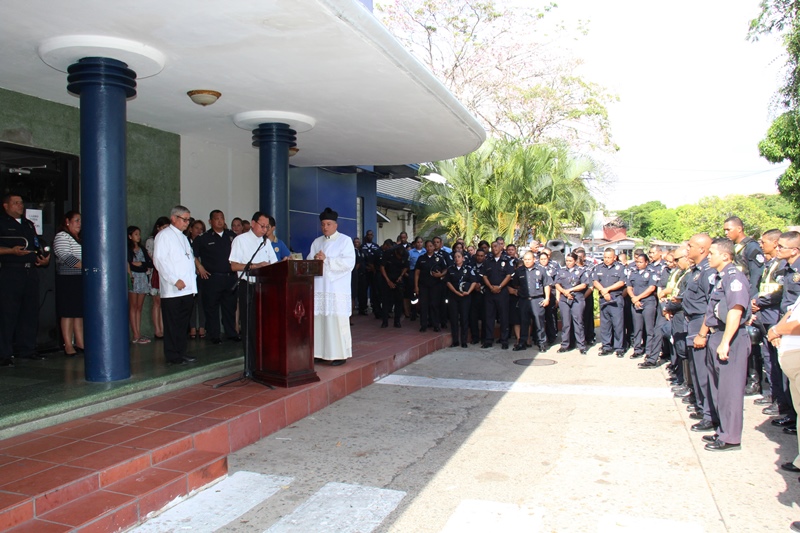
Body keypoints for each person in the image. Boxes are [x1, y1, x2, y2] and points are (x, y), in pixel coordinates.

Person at [695, 238, 751, 451]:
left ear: (725, 256)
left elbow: (736, 311)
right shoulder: (720, 278)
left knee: (730, 391)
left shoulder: (734, 278)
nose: (708, 256)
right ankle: (722, 430)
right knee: (718, 389)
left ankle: (730, 438)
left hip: (731, 337)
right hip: (716, 334)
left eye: (712, 253)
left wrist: (725, 342)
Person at [0, 193, 50, 366]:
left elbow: (36, 245)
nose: (20, 205)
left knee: (29, 312)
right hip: (11, 272)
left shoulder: (28, 224)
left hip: (30, 273)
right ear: (6, 206)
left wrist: (44, 258)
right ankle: (4, 354)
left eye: (21, 202)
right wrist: (10, 251)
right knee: (8, 314)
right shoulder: (2, 223)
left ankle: (27, 349)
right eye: (15, 203)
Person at [307, 208, 356, 365]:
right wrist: (315, 260)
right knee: (319, 321)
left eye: (328, 224)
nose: (325, 227)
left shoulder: (345, 241)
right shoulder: (317, 242)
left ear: (335, 225)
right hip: (320, 288)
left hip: (336, 290)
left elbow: (348, 263)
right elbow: (309, 262)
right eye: (323, 224)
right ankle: (319, 353)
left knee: (336, 322)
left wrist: (326, 260)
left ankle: (339, 354)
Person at [230, 211, 279, 361]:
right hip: (248, 287)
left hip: (265, 288)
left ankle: (263, 362)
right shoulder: (240, 240)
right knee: (249, 326)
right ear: (253, 223)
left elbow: (274, 264)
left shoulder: (266, 242)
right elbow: (234, 266)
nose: (264, 230)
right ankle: (250, 363)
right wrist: (256, 266)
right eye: (262, 226)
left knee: (264, 325)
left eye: (267, 227)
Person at [153, 206, 198, 366]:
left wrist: (192, 287)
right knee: (172, 324)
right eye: (184, 219)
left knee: (183, 324)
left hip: (187, 289)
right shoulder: (164, 236)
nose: (187, 223)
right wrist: (174, 280)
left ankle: (181, 352)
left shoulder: (184, 238)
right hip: (173, 290)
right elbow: (159, 260)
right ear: (174, 218)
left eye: (188, 220)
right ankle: (172, 355)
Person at [193, 210, 239, 345]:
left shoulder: (232, 236)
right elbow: (192, 254)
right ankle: (214, 335)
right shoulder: (203, 238)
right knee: (211, 308)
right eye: (216, 218)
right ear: (210, 221)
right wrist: (199, 267)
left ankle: (231, 333)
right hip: (212, 278)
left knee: (230, 308)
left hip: (230, 277)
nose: (220, 221)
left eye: (222, 218)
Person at [686, 233, 717, 431]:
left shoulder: (708, 271)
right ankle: (701, 406)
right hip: (692, 322)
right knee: (695, 370)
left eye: (690, 246)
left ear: (702, 249)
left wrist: (703, 333)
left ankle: (709, 414)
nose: (687, 249)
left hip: (701, 323)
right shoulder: (697, 270)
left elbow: (711, 305)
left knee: (704, 372)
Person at [53, 210, 84, 355]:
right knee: (68, 312)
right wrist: (85, 265)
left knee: (78, 312)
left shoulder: (80, 238)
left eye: (80, 221)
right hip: (68, 279)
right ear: (67, 221)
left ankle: (80, 342)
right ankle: (68, 344)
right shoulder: (62, 236)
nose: (79, 224)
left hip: (79, 278)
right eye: (76, 220)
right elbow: (66, 256)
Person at [512, 251, 552, 352]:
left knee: (539, 323)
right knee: (524, 322)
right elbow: (516, 284)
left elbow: (547, 284)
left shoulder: (541, 270)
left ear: (534, 259)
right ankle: (522, 342)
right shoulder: (519, 271)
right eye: (525, 259)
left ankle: (542, 343)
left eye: (529, 259)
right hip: (524, 300)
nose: (527, 261)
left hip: (537, 299)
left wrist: (547, 298)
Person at [627, 252, 659, 368]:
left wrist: (638, 298)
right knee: (637, 328)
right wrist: (633, 298)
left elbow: (651, 288)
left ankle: (649, 351)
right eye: (637, 262)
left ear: (646, 262)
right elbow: (629, 287)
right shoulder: (633, 272)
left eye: (641, 262)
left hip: (648, 302)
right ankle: (637, 349)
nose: (638, 264)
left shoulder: (652, 272)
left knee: (649, 329)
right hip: (636, 303)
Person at [593, 248, 626, 357]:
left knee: (618, 325)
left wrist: (607, 290)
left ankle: (619, 348)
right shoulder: (599, 267)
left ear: (614, 257)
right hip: (603, 298)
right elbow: (595, 281)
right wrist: (603, 291)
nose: (606, 259)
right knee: (605, 325)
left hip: (615, 298)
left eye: (609, 257)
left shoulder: (620, 267)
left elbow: (622, 282)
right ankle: (606, 346)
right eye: (605, 257)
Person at [482, 241, 514, 349]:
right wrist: (491, 287)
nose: (494, 248)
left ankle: (504, 340)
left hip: (502, 293)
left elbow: (508, 275)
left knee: (504, 317)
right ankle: (488, 340)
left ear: (501, 247)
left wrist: (499, 287)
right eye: (492, 247)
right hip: (490, 292)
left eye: (496, 246)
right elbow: (484, 276)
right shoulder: (488, 261)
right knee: (489, 317)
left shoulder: (507, 260)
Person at [555, 252, 589, 353]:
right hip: (564, 299)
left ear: (575, 261)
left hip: (577, 298)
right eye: (567, 261)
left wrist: (570, 290)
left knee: (578, 322)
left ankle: (581, 345)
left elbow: (584, 285)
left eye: (570, 261)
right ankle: (565, 344)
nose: (568, 263)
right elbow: (557, 284)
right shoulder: (561, 271)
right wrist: (564, 292)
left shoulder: (581, 271)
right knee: (566, 323)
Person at [445, 250, 478, 347]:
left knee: (464, 318)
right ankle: (455, 341)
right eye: (455, 257)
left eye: (459, 257)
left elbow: (474, 282)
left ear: (463, 258)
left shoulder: (468, 268)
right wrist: (456, 292)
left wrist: (468, 291)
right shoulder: (450, 269)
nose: (457, 259)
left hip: (465, 297)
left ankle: (464, 341)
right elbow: (448, 282)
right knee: (454, 318)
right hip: (453, 296)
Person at [127, 225, 153, 345]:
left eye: (139, 234)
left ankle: (139, 332)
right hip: (134, 277)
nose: (138, 236)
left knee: (139, 307)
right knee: (133, 306)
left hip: (142, 278)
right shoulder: (127, 249)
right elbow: (129, 264)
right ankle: (135, 333)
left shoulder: (142, 248)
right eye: (136, 234)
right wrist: (135, 267)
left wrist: (140, 264)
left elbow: (148, 263)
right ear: (130, 236)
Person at [146, 216, 170, 340]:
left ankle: (164, 328)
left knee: (164, 303)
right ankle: (157, 329)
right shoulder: (152, 240)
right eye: (164, 227)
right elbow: (152, 257)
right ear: (158, 227)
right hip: (156, 272)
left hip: (166, 273)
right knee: (156, 302)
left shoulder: (169, 240)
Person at [415, 240, 447, 332]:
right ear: (425, 247)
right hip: (423, 285)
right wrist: (416, 286)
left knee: (434, 305)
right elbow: (417, 273)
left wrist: (440, 275)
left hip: (435, 285)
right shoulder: (421, 258)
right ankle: (423, 325)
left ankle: (436, 324)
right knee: (423, 305)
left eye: (431, 246)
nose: (429, 248)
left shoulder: (439, 258)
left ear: (434, 247)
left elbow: (445, 269)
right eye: (427, 246)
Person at [378, 239, 409, 328]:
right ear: (395, 253)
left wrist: (401, 276)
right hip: (387, 277)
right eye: (398, 257)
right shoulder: (388, 253)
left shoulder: (406, 253)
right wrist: (388, 281)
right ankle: (385, 321)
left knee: (399, 300)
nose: (400, 258)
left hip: (398, 278)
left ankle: (397, 321)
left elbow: (406, 267)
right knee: (385, 301)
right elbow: (382, 267)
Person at [187, 219, 206, 339]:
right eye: (196, 228)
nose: (199, 231)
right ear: (190, 229)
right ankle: (192, 327)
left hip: (202, 275)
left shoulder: (204, 241)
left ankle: (202, 326)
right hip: (189, 276)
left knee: (202, 301)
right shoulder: (185, 241)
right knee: (191, 303)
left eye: (201, 229)